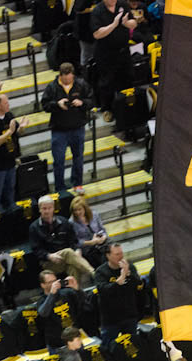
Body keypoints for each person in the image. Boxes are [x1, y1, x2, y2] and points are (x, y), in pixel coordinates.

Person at [41, 63, 93, 193]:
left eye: (70, 79)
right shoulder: (52, 87)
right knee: (59, 160)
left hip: (77, 127)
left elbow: (91, 101)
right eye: (65, 79)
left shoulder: (81, 84)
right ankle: (60, 188)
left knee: (78, 158)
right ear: (60, 75)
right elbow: (45, 105)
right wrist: (57, 104)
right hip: (59, 130)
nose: (68, 81)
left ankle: (77, 184)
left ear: (73, 75)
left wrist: (82, 103)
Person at [29, 195, 95, 284]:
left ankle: (75, 290)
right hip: (49, 262)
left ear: (53, 208)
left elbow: (73, 241)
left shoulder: (63, 221)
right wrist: (49, 256)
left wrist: (77, 250)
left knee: (73, 267)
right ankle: (93, 273)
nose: (47, 211)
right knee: (68, 252)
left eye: (49, 208)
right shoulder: (34, 227)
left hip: (68, 258)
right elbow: (36, 250)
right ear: (39, 209)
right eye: (44, 208)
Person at [91, 0, 136, 123]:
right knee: (107, 82)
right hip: (106, 53)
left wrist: (126, 23)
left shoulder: (123, 5)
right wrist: (114, 25)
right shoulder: (97, 11)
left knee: (127, 78)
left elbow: (134, 23)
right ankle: (107, 109)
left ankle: (126, 107)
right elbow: (97, 34)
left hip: (123, 51)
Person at [93, 243, 141, 348]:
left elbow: (138, 285)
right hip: (111, 318)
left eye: (121, 253)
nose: (121, 256)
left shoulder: (129, 267)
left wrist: (128, 274)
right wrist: (120, 280)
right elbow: (103, 291)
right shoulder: (100, 272)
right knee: (109, 348)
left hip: (129, 315)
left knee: (133, 347)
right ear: (108, 255)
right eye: (117, 254)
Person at [0, 94, 25, 210]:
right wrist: (10, 132)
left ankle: (11, 208)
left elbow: (17, 132)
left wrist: (21, 127)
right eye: (6, 103)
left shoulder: (9, 116)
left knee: (10, 189)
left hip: (10, 159)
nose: (8, 105)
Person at [37, 270, 84, 351]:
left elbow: (85, 305)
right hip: (56, 343)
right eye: (50, 282)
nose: (55, 283)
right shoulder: (42, 300)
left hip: (74, 338)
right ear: (43, 285)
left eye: (55, 280)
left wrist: (77, 289)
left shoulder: (67, 293)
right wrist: (52, 294)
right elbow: (43, 313)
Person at [70, 196, 108, 268]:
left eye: (79, 209)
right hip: (87, 248)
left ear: (85, 208)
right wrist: (91, 242)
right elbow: (76, 242)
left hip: (101, 242)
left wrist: (103, 237)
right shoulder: (72, 222)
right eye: (75, 210)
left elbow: (102, 229)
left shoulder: (94, 214)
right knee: (98, 256)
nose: (77, 212)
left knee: (112, 249)